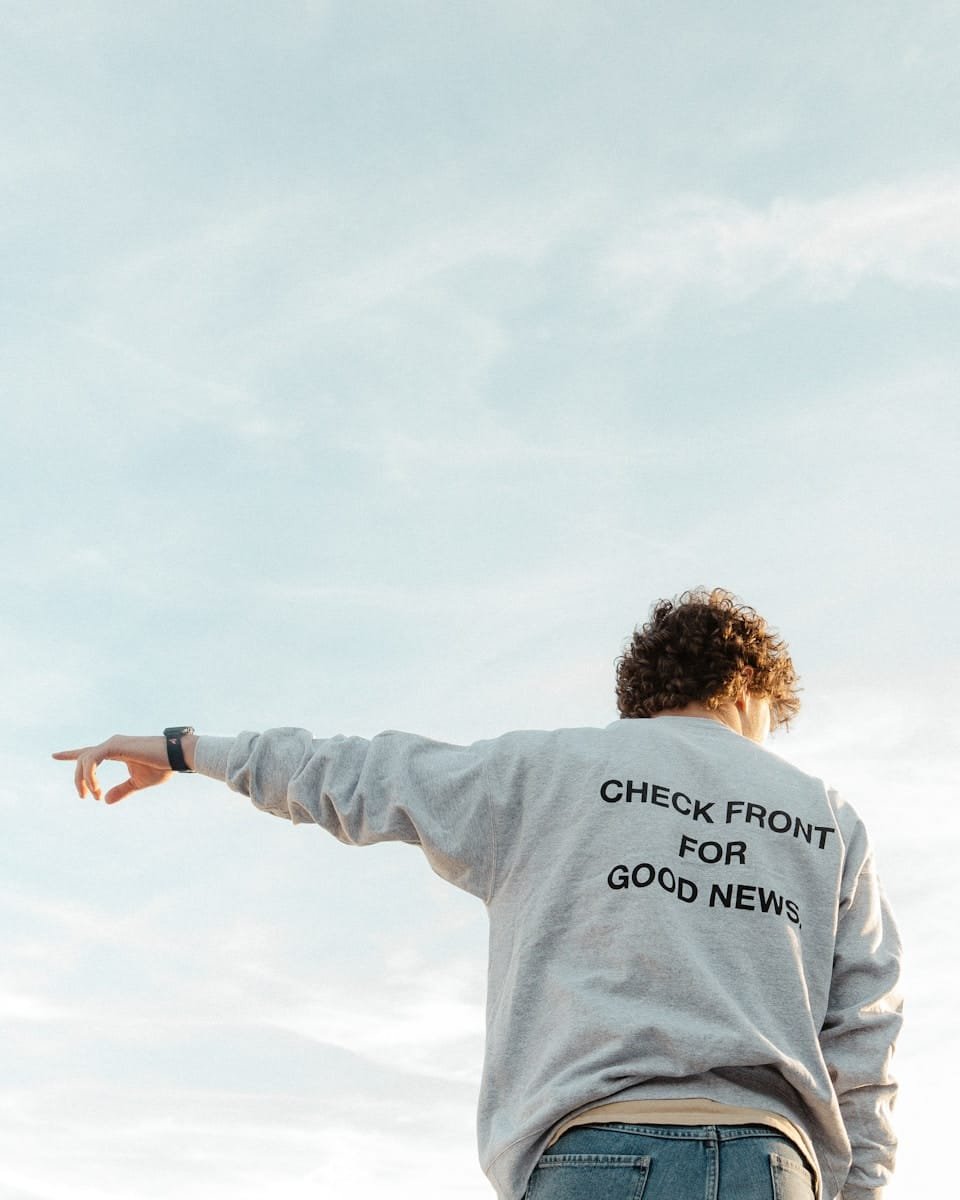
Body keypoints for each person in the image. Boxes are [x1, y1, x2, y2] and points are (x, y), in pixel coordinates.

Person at [53, 588, 902, 1200]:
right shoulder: (826, 817)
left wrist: (185, 748)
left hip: (591, 1155)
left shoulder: (547, 770)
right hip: (774, 1166)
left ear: (641, 697)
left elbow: (354, 773)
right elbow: (865, 1034)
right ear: (750, 693)